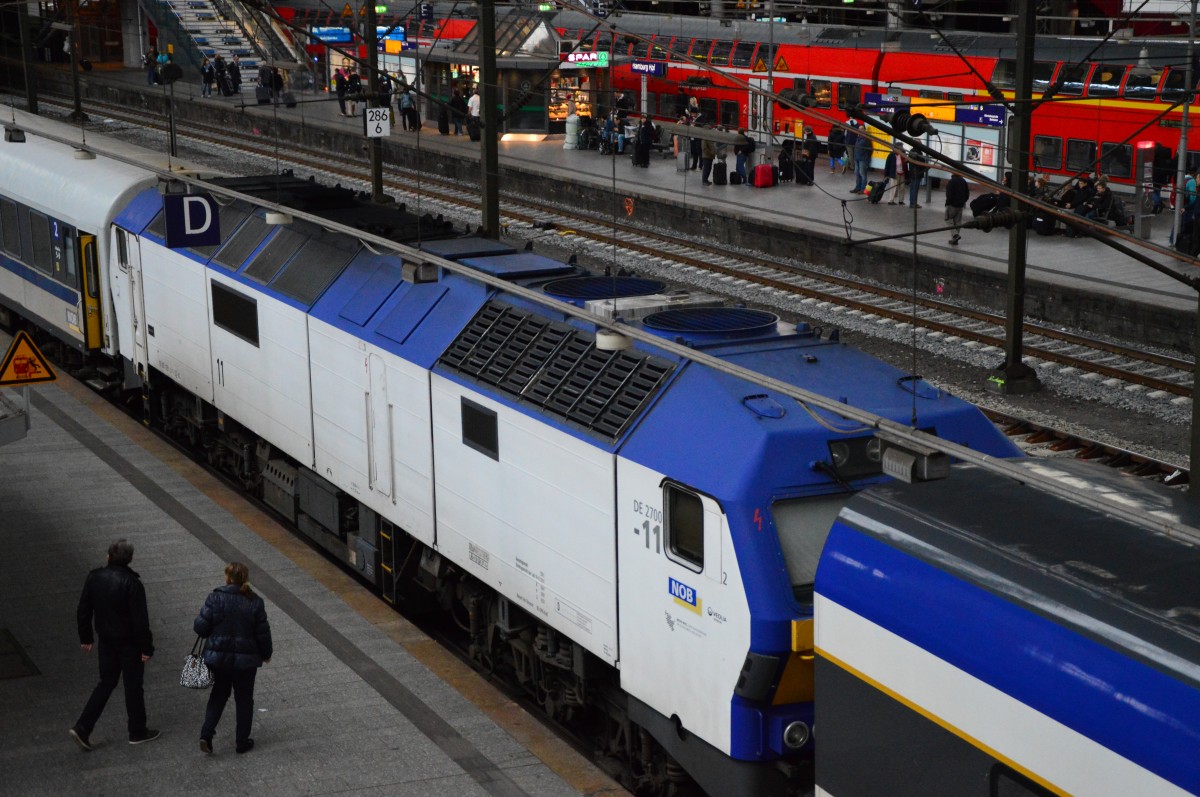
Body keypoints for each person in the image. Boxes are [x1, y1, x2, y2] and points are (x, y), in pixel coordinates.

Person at [70, 539, 159, 751]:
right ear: (129, 560)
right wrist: (147, 648)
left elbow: (84, 609)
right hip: (129, 644)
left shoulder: (95, 577)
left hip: (106, 641)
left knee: (106, 683)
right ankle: (137, 731)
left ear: (108, 556)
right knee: (133, 686)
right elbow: (140, 621)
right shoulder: (132, 583)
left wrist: (86, 637)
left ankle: (83, 727)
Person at [195, 562, 273, 755]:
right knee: (244, 699)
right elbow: (262, 633)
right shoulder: (255, 602)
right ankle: (242, 741)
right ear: (245, 579)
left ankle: (206, 734)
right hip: (246, 662)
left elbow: (201, 628)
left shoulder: (215, 598)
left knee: (219, 694)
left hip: (219, 659)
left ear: (227, 577)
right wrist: (266, 654)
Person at [946, 172, 970, 245]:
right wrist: (963, 201)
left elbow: (949, 194)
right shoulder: (963, 180)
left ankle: (955, 235)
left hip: (953, 204)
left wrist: (948, 202)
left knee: (948, 219)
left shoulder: (952, 181)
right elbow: (967, 193)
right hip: (960, 205)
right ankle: (955, 239)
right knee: (958, 222)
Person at [850, 126, 873, 194]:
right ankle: (857, 188)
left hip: (863, 159)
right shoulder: (858, 137)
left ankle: (863, 189)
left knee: (862, 174)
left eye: (862, 129)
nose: (860, 130)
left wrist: (866, 156)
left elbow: (870, 149)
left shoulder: (867, 139)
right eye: (859, 129)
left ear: (864, 130)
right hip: (857, 158)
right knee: (857, 173)